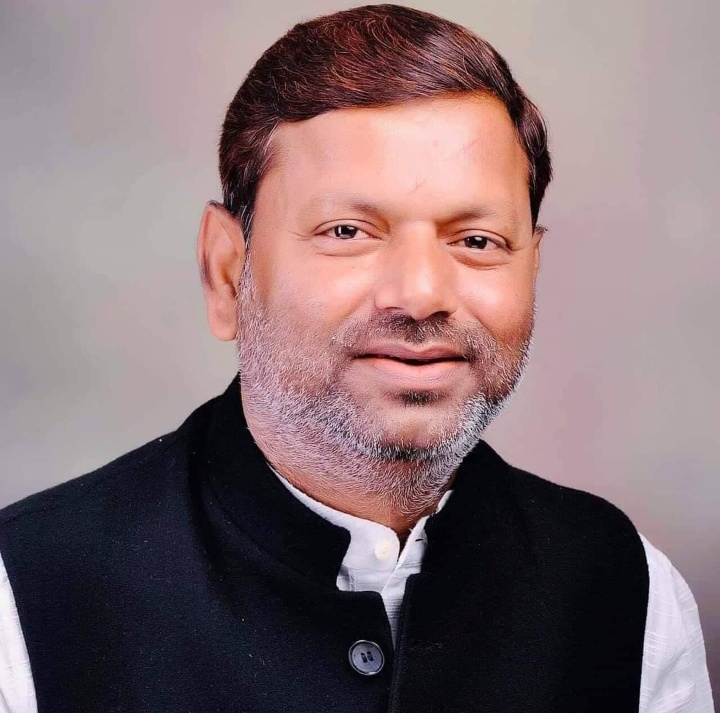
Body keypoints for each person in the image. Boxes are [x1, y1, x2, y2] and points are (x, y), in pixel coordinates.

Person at [0, 4, 713, 712]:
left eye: (476, 241)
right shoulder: (23, 604)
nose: (421, 294)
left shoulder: (628, 593)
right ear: (226, 272)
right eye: (347, 231)